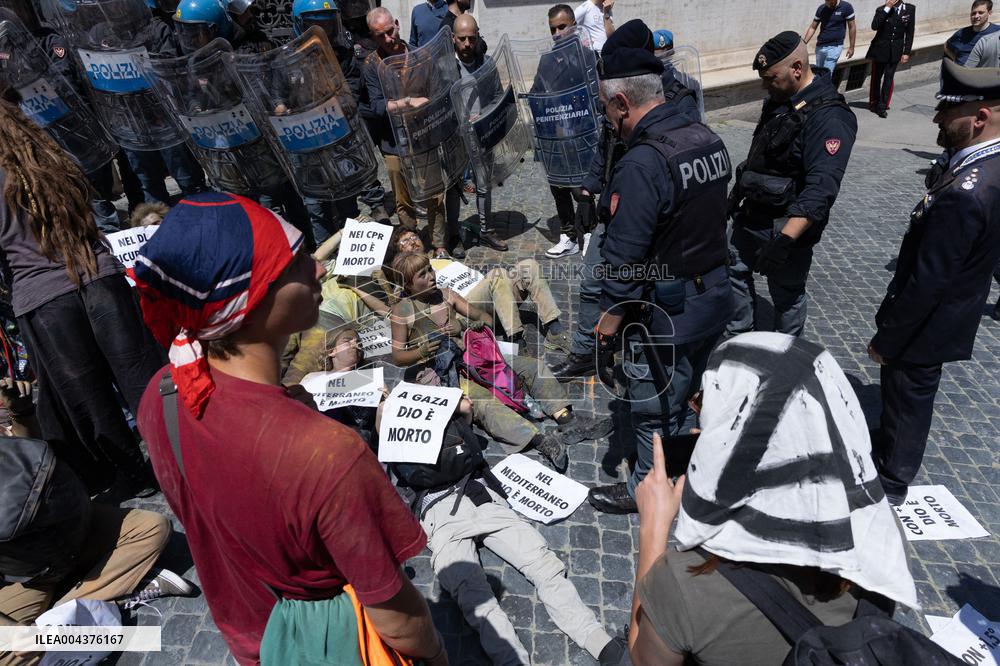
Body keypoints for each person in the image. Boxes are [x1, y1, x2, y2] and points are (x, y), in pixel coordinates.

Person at [133, 193, 446, 666]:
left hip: (253, 638)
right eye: (295, 262)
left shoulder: (162, 393)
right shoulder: (328, 452)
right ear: (252, 299)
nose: (318, 269)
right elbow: (397, 618)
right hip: (329, 646)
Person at [627, 332, 920, 665]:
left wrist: (653, 527)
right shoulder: (882, 536)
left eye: (706, 403)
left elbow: (641, 658)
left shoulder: (685, 583)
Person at [584, 21, 734, 515]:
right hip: (713, 297)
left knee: (654, 404)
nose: (608, 119)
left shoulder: (643, 163)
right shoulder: (705, 138)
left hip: (665, 311)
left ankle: (646, 493)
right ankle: (686, 470)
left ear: (622, 103)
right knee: (692, 395)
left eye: (608, 108)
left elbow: (623, 259)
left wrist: (607, 321)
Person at [0, 100, 164, 496]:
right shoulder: (49, 152)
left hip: (43, 296)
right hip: (98, 278)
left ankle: (134, 476)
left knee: (88, 397)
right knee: (140, 377)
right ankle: (175, 455)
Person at [868, 59, 1000, 506]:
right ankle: (888, 445)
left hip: (929, 323)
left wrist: (887, 338)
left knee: (909, 394)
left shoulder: (968, 192)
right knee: (903, 395)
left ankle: (891, 478)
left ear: (980, 118)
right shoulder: (984, 167)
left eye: (947, 112)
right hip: (949, 310)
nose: (936, 118)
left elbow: (929, 280)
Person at [388, 252, 610, 472]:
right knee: (485, 404)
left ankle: (566, 419)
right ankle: (539, 440)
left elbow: (486, 319)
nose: (431, 276)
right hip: (443, 372)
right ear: (408, 284)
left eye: (430, 269)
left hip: (473, 357)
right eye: (422, 275)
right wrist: (421, 351)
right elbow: (398, 357)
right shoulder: (403, 310)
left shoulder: (447, 295)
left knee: (533, 367)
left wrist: (466, 326)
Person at [0, 436, 195, 663]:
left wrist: (21, 411)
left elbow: (34, 452)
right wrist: (14, 631)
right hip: (25, 577)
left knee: (154, 528)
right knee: (9, 657)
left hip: (70, 531)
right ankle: (116, 593)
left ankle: (69, 619)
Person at [726, 32, 856, 338]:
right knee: (733, 274)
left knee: (787, 295)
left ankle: (785, 355)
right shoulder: (781, 99)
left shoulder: (829, 117)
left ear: (797, 68)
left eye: (771, 78)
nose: (765, 85)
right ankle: (739, 340)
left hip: (785, 226)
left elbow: (821, 189)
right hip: (752, 214)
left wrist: (784, 242)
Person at [364, 7, 459, 258]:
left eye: (389, 31)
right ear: (373, 37)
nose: (388, 39)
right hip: (393, 142)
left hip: (424, 137)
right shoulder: (372, 65)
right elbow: (376, 107)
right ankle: (410, 241)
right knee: (402, 197)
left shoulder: (422, 56)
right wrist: (407, 102)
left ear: (397, 25)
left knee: (434, 193)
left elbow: (438, 93)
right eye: (380, 36)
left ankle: (439, 245)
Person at [389, 227, 572, 350]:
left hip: (495, 295)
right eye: (405, 242)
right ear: (399, 253)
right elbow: (399, 308)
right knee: (496, 275)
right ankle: (515, 341)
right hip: (464, 310)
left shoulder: (443, 258)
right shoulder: (407, 282)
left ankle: (554, 330)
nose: (412, 242)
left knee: (529, 266)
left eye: (414, 237)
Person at [539, 4, 594, 259]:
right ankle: (569, 235)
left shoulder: (589, 56)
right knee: (558, 187)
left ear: (574, 24)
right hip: (556, 136)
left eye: (562, 26)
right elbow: (537, 93)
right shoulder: (546, 61)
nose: (558, 33)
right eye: (553, 29)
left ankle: (590, 234)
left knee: (581, 190)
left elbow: (595, 96)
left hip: (581, 135)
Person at [452, 14, 509, 252]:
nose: (467, 44)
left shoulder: (486, 64)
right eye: (462, 39)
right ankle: (452, 235)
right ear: (454, 38)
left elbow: (498, 96)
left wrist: (484, 115)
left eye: (471, 39)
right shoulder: (446, 67)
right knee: (453, 188)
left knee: (484, 185)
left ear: (478, 37)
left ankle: (486, 230)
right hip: (454, 137)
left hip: (480, 135)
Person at [866, 0, 915, 118]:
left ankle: (882, 106)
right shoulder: (881, 9)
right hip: (880, 49)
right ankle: (874, 102)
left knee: (889, 78)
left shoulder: (909, 9)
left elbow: (909, 32)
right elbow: (875, 26)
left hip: (895, 51)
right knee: (876, 78)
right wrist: (887, 8)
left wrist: (906, 52)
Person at [803, 0, 856, 76]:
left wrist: (852, 47)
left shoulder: (846, 7)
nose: (828, 3)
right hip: (820, 46)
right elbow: (813, 27)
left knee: (826, 75)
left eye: (830, 1)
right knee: (819, 74)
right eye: (826, 1)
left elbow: (852, 27)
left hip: (835, 46)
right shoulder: (821, 9)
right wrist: (804, 42)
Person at [945, 1, 999, 65]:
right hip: (961, 72)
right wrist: (956, 60)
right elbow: (946, 46)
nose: (976, 16)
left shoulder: (997, 31)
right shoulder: (961, 33)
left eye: (980, 13)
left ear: (989, 13)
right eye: (973, 13)